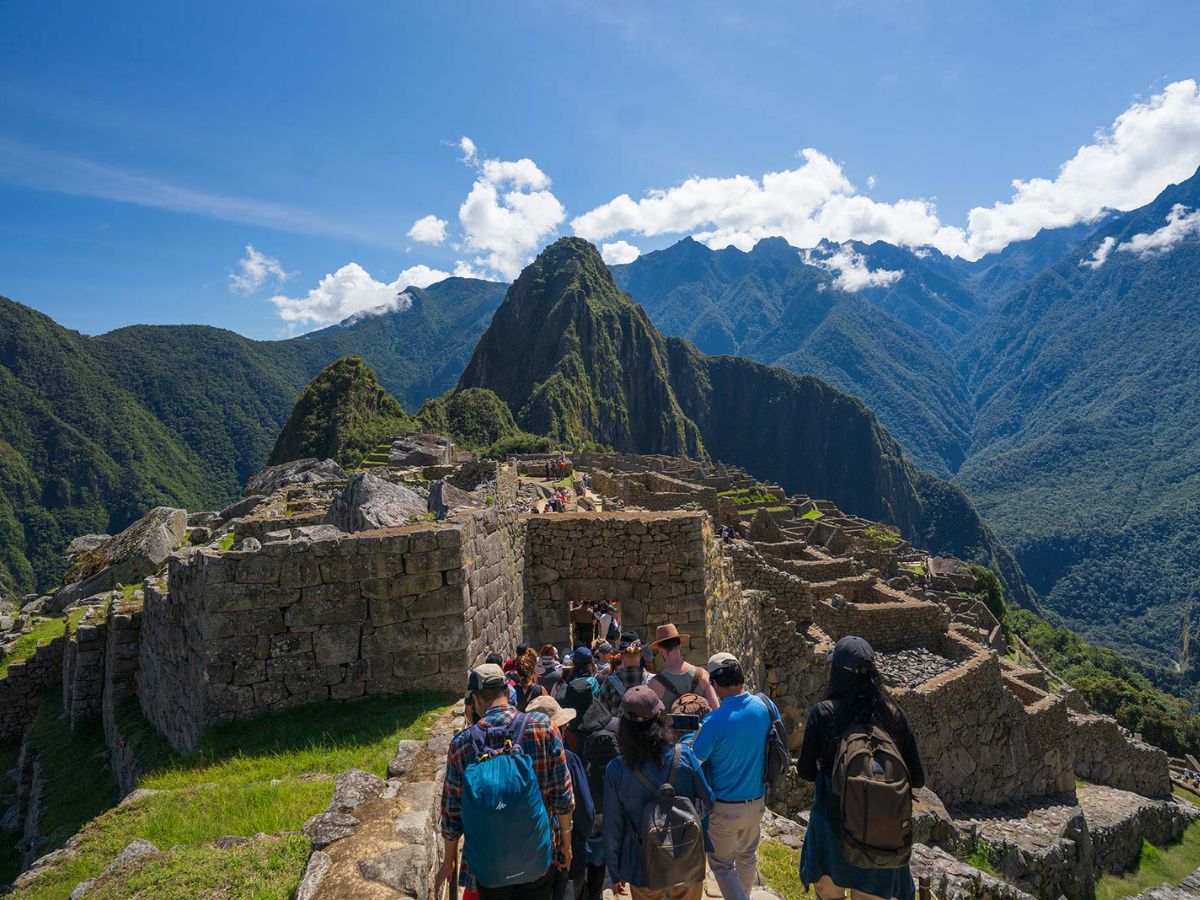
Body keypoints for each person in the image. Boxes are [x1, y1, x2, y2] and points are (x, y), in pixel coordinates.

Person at [798, 636, 925, 900]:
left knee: (829, 894)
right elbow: (918, 779)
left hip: (831, 830)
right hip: (881, 837)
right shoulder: (894, 715)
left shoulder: (823, 713)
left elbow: (806, 772)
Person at [437, 663, 574, 900]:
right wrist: (566, 843)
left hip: (489, 866)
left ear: (476, 701)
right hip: (537, 858)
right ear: (507, 692)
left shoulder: (461, 745)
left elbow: (452, 814)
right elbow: (562, 796)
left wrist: (449, 860)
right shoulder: (544, 728)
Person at [602, 685, 714, 900]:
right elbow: (708, 801)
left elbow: (612, 826)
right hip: (686, 859)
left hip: (641, 863)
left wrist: (615, 871)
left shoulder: (616, 769)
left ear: (624, 723)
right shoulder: (685, 757)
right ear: (659, 716)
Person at [690, 653, 780, 900]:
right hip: (758, 800)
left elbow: (695, 761)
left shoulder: (714, 721)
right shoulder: (765, 707)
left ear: (716, 685)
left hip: (725, 807)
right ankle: (745, 894)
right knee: (747, 855)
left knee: (721, 864)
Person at [528, 695, 597, 900]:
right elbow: (586, 810)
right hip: (563, 853)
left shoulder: (516, 758)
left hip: (526, 853)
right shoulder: (570, 760)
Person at [560, 677, 621, 899]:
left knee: (576, 848)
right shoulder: (613, 725)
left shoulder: (568, 732)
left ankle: (579, 889)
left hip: (576, 802)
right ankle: (595, 892)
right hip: (605, 799)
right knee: (598, 852)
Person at [648, 624, 720, 712]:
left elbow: (651, 720)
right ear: (680, 645)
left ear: (659, 649)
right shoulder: (702, 675)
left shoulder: (655, 684)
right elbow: (716, 710)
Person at [600, 633, 654, 717]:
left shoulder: (609, 683)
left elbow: (601, 715)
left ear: (621, 655)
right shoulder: (654, 681)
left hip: (619, 729)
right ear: (641, 653)